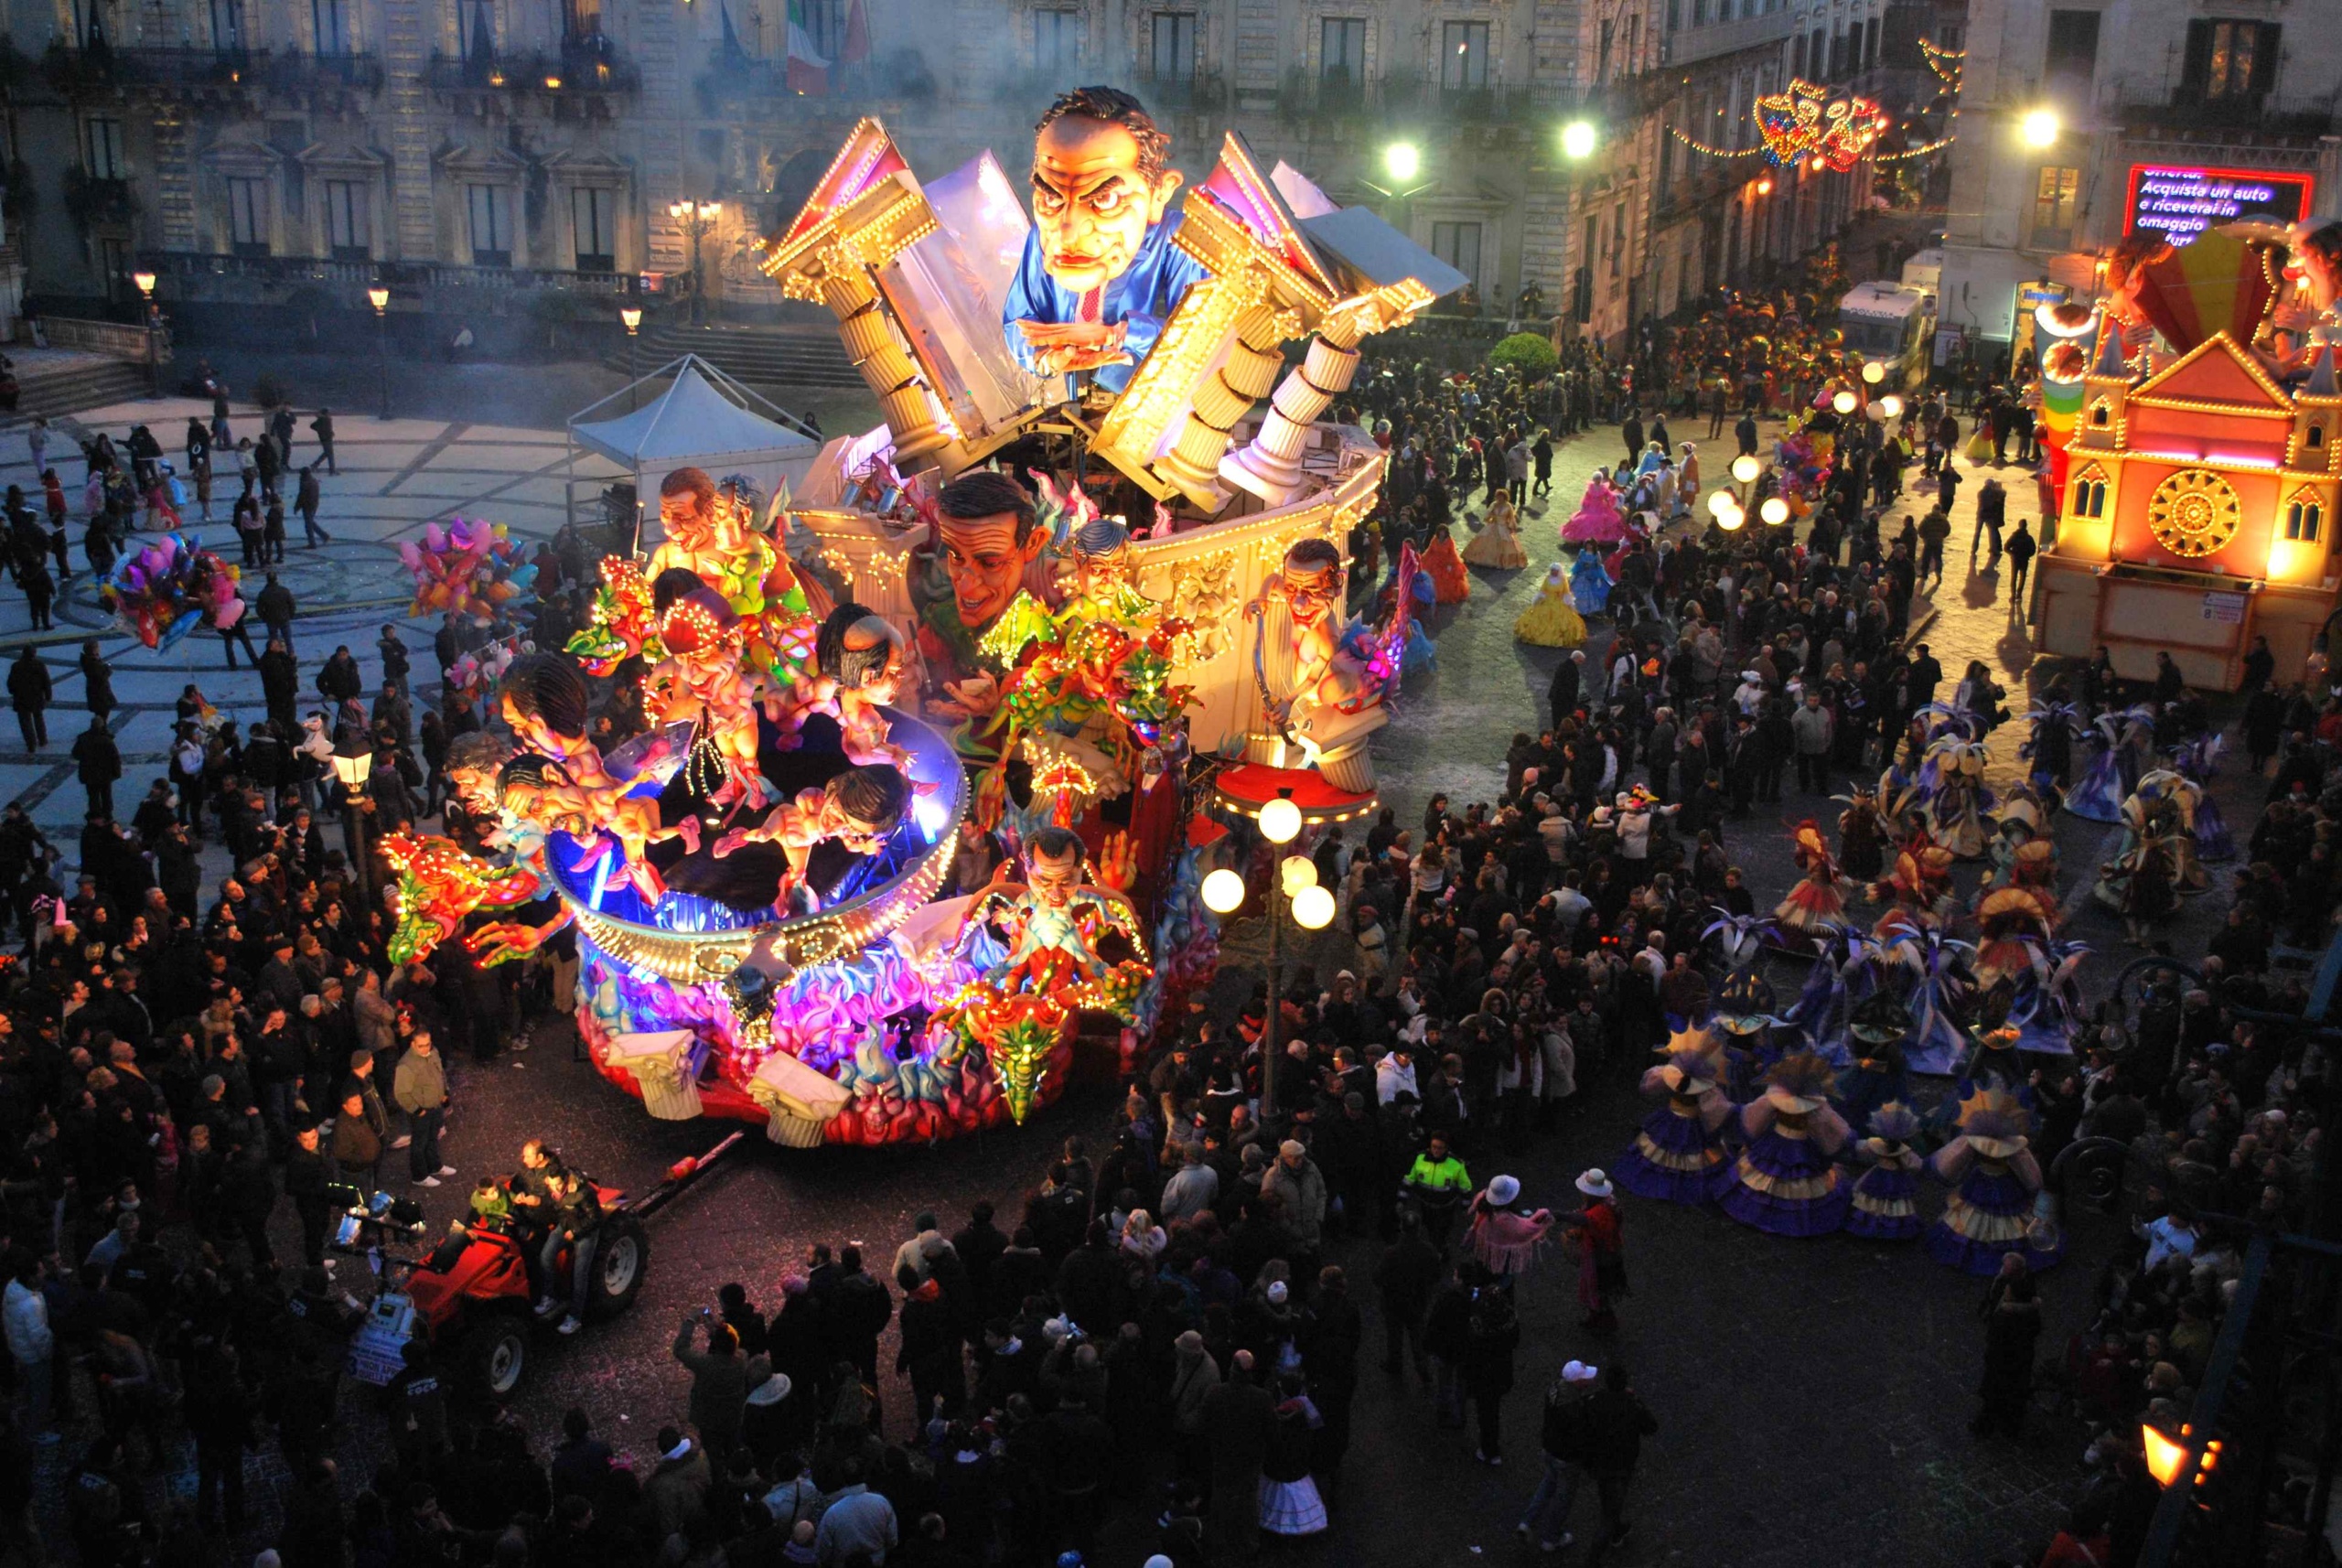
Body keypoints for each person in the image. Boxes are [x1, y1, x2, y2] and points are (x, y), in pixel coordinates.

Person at [1519, 1359, 1597, 1552]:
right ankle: (1551, 1537)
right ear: (1576, 1382)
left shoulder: (1554, 1390)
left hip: (1550, 1449)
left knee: (1547, 1484)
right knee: (1563, 1497)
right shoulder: (1574, 1408)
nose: (1589, 1380)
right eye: (1584, 1378)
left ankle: (1528, 1522)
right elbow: (1580, 1437)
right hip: (1566, 1457)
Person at [392, 1029, 454, 1187]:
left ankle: (434, 1166)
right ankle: (419, 1176)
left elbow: (440, 1074)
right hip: (421, 1110)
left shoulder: (433, 1053)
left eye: (427, 1044)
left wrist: (444, 1092)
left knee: (433, 1138)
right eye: (421, 1046)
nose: (425, 1048)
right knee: (419, 1144)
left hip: (435, 1106)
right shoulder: (406, 1065)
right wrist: (417, 1110)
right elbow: (401, 1093)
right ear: (413, 1044)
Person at [8, 647, 50, 752]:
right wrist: (48, 695)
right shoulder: (39, 665)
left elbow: (11, 683)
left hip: (21, 698)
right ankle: (42, 739)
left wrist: (13, 691)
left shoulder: (16, 666)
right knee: (38, 718)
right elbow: (46, 681)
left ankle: (31, 743)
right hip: (36, 697)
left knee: (25, 722)